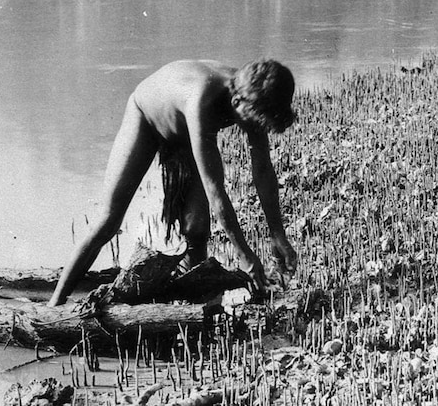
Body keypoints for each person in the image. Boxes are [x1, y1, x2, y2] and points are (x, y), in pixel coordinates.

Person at [49, 59, 298, 306]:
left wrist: (279, 236)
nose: (254, 130)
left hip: (187, 129)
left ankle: (199, 306)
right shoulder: (202, 98)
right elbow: (215, 191)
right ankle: (56, 303)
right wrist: (244, 256)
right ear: (236, 103)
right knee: (108, 221)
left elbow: (263, 171)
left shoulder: (253, 95)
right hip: (146, 116)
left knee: (197, 228)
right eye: (253, 123)